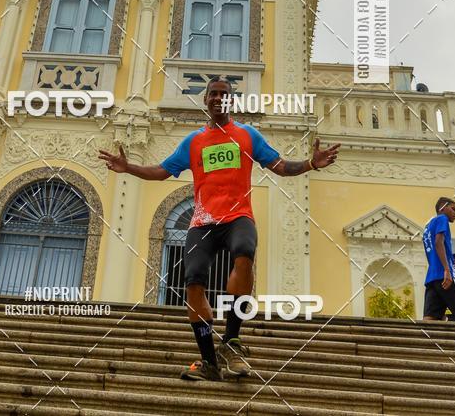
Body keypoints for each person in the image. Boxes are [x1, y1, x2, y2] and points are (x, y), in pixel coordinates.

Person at [99, 76, 340, 382]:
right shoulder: (194, 142)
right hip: (203, 222)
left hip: (238, 216)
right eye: (212, 94)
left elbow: (281, 167)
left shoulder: (247, 136)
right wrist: (128, 167)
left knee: (244, 253)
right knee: (193, 282)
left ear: (231, 101)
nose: (217, 98)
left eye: (223, 94)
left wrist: (311, 164)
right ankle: (209, 362)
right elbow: (161, 171)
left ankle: (232, 340)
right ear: (206, 100)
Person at [422, 197, 455, 321]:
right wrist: (447, 270)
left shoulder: (427, 227)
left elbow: (430, 251)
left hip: (432, 278)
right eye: (453, 208)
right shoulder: (442, 219)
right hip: (446, 275)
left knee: (431, 319)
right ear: (443, 208)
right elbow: (439, 242)